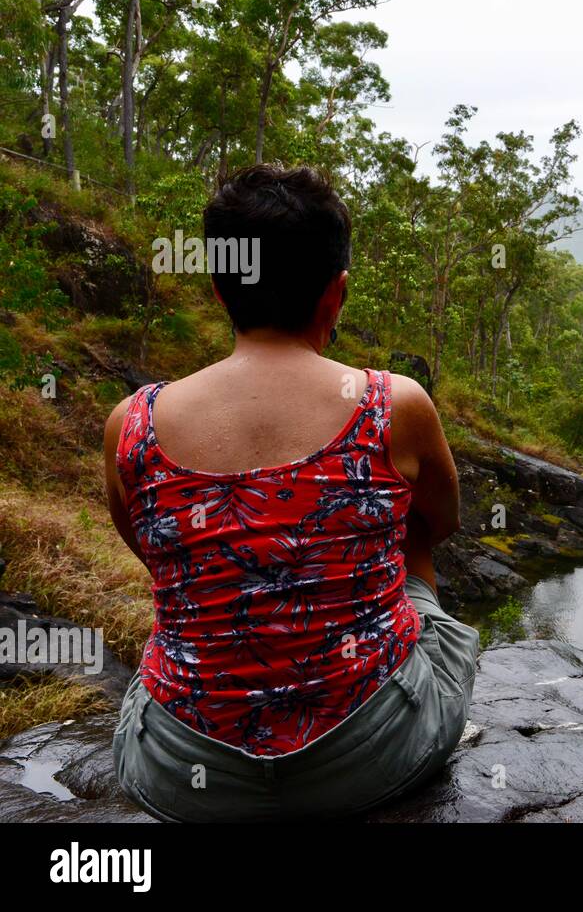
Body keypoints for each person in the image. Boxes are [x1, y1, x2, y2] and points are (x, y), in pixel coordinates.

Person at [102, 163, 478, 821]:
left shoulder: (131, 423)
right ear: (335, 293)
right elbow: (440, 522)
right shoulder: (396, 404)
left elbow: (150, 552)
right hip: (372, 754)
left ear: (219, 290)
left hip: (180, 772)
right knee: (410, 536)